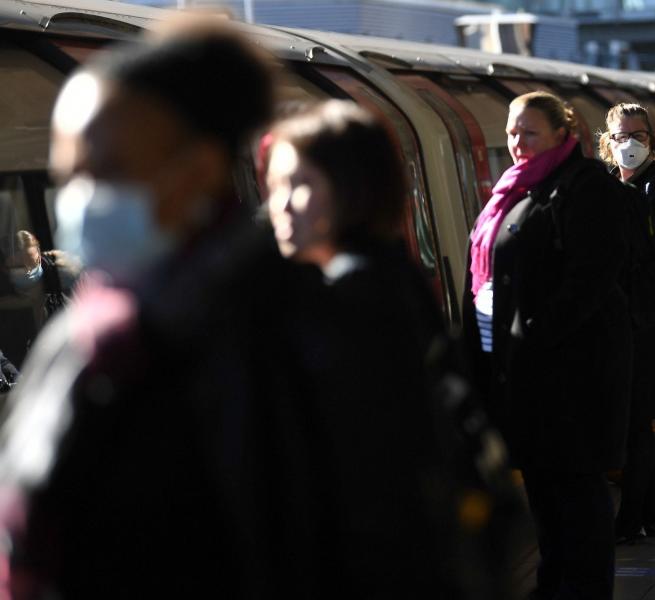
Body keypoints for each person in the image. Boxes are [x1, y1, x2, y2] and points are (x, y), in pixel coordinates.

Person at [0, 23, 352, 599]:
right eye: (68, 177)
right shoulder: (98, 323)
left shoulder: (280, 330)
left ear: (199, 169)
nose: (80, 199)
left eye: (107, 170)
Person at [264, 100, 517, 599]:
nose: (281, 205)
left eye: (301, 185)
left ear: (355, 190)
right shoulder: (390, 276)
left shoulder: (353, 299)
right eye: (274, 187)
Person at [461, 90, 632, 600]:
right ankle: (555, 582)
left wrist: (530, 335)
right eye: (512, 132)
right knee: (545, 488)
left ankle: (583, 588)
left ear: (563, 133)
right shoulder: (518, 189)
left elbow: (589, 281)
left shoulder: (586, 188)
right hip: (527, 369)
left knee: (576, 490)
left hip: (573, 373)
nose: (516, 142)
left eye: (528, 132)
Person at [599, 103, 655, 542]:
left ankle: (630, 518)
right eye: (620, 136)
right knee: (636, 421)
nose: (628, 144)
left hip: (647, 321)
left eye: (638, 135)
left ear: (652, 140)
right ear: (608, 140)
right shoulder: (611, 186)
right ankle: (647, 514)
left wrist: (637, 273)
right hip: (626, 319)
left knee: (636, 421)